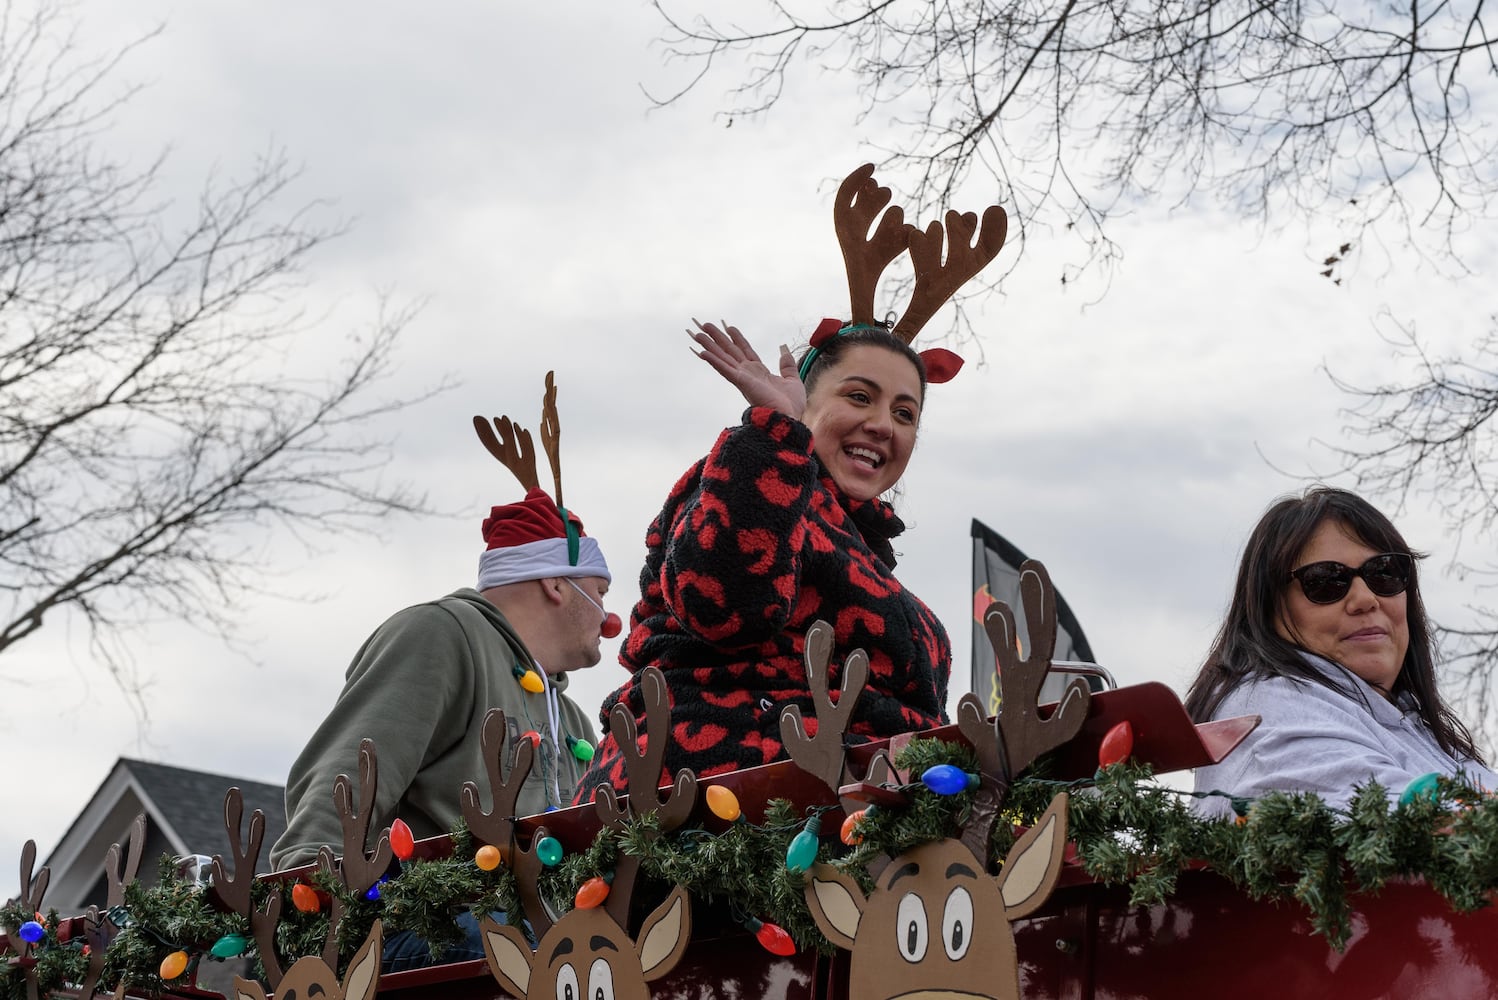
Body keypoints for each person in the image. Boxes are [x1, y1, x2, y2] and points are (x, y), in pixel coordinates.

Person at [271, 390, 619, 969]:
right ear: (558, 584)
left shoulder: (575, 719)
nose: (609, 616)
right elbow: (347, 778)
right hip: (441, 930)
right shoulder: (444, 634)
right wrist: (307, 921)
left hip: (541, 939)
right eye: (601, 592)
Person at [574, 319, 953, 800]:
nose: (883, 425)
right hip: (723, 809)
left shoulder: (853, 540)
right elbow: (722, 605)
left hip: (844, 807)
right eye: (859, 397)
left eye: (905, 414)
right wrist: (777, 432)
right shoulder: (746, 473)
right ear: (804, 402)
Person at [1186, 486, 1496, 814]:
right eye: (1325, 581)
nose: (1365, 599)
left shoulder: (1410, 720)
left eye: (1385, 573)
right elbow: (1408, 827)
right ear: (1268, 609)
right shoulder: (1269, 707)